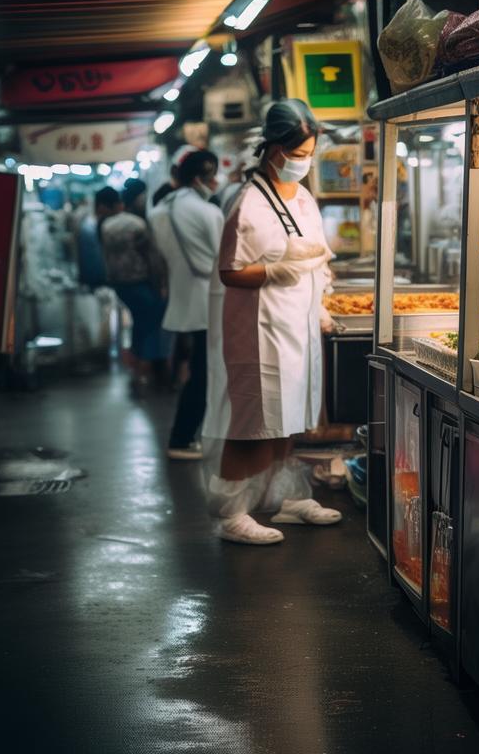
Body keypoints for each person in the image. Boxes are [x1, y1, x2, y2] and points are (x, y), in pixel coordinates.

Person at [201, 99, 340, 545]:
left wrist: (321, 297)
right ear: (275, 149)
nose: (305, 163)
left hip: (297, 327)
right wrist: (274, 272)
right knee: (253, 425)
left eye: (309, 154)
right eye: (299, 155)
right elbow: (229, 270)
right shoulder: (247, 204)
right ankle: (233, 511)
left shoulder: (303, 199)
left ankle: (285, 497)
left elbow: (316, 255)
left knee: (292, 419)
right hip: (259, 332)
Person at [150, 149, 224, 460]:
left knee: (198, 370)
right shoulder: (208, 213)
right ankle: (182, 438)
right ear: (199, 179)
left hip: (184, 296)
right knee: (204, 373)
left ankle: (186, 435)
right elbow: (227, 258)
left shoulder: (162, 208)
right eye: (212, 176)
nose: (216, 182)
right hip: (210, 299)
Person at [100, 180, 169, 391]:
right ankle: (145, 368)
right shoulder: (138, 224)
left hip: (120, 283)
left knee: (140, 323)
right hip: (141, 281)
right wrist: (161, 283)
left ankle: (138, 366)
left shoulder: (106, 225)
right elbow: (152, 258)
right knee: (149, 325)